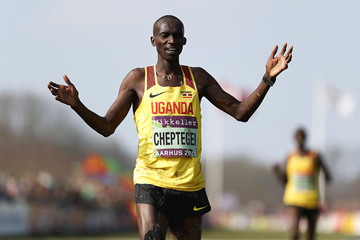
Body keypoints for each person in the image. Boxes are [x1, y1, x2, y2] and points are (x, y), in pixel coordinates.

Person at [48, 15, 293, 240]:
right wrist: (77, 105)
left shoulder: (198, 78)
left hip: (190, 186)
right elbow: (107, 126)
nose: (171, 40)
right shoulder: (138, 79)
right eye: (165, 35)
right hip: (151, 183)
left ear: (185, 41)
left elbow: (240, 112)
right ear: (153, 40)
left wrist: (267, 79)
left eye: (177, 35)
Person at [273, 127, 331, 240]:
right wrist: (277, 172)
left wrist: (319, 165)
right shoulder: (290, 157)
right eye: (297, 135)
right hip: (294, 200)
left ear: (305, 137)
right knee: (294, 233)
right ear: (294, 138)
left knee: (310, 236)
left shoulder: (315, 156)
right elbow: (285, 181)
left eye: (301, 135)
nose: (299, 138)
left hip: (312, 201)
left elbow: (328, 177)